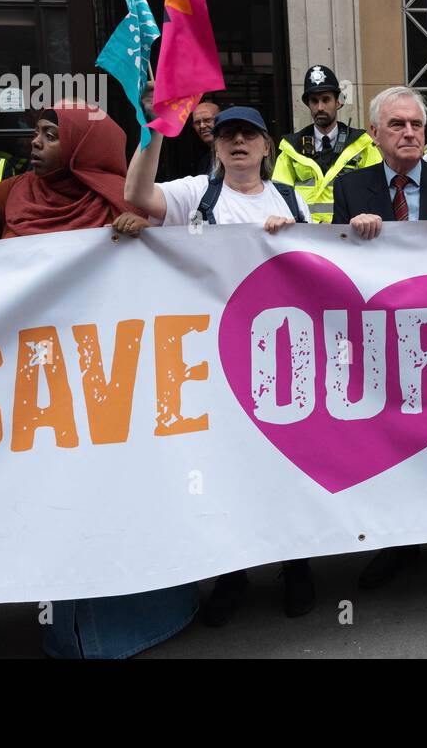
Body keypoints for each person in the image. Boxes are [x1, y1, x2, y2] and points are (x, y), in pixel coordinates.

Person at [0, 76, 201, 657]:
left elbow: (190, 256)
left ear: (84, 149)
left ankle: (139, 609)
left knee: (119, 492)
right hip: (32, 382)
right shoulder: (15, 192)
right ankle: (65, 619)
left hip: (115, 383)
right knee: (56, 495)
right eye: (36, 132)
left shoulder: (127, 198)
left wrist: (151, 236)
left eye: (49, 133)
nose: (34, 142)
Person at [119, 104, 313, 627]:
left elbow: (322, 273)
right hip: (212, 364)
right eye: (227, 135)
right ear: (215, 146)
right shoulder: (192, 194)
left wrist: (294, 235)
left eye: (249, 133)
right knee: (227, 471)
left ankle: (296, 565)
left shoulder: (294, 200)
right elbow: (137, 196)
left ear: (267, 145)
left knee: (286, 466)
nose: (238, 142)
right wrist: (155, 131)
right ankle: (231, 575)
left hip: (282, 360)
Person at [331, 86, 427, 589]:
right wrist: (351, 229)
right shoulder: (352, 189)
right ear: (374, 134)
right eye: (397, 124)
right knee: (389, 441)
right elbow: (333, 261)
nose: (410, 132)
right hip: (382, 340)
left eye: (416, 124)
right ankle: (400, 542)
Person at [272, 65, 381, 222]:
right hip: (305, 237)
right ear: (308, 104)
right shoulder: (291, 148)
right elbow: (279, 198)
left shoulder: (362, 145)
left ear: (338, 102)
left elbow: (377, 192)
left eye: (326, 100)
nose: (320, 107)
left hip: (349, 235)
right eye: (314, 101)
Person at [188, 99, 220, 176]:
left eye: (208, 120)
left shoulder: (235, 156)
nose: (202, 126)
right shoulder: (204, 161)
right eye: (197, 122)